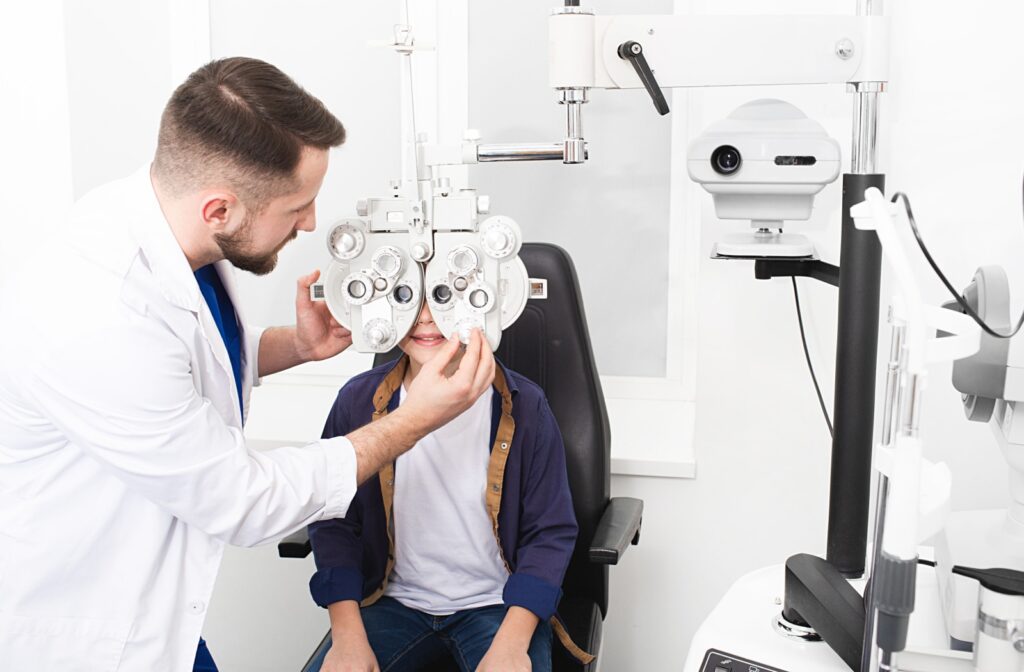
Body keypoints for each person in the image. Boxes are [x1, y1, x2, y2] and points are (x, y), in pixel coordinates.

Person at [0, 57, 494, 672]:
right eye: (297, 207)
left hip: (163, 619)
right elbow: (245, 501)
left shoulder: (164, 223)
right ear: (220, 210)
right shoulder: (99, 315)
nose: (311, 222)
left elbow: (186, 358)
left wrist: (294, 346)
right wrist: (414, 421)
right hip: (94, 635)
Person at [306, 302, 591, 672]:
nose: (425, 317)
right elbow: (334, 521)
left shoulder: (526, 406)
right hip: (392, 604)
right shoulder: (356, 401)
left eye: (441, 297)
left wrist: (512, 645)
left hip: (498, 606)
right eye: (409, 298)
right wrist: (347, 640)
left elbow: (550, 533)